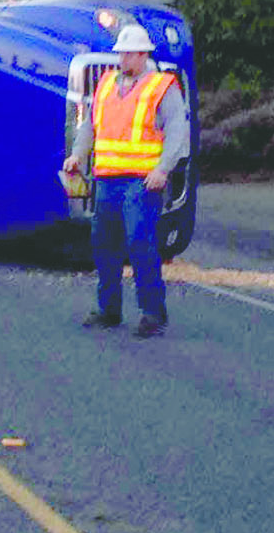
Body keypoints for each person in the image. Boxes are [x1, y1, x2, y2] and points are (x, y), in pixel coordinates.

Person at [64, 21, 190, 338]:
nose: (123, 60)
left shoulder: (162, 87)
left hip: (143, 181)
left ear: (142, 55)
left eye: (129, 55)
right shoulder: (106, 85)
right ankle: (109, 309)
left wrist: (163, 168)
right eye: (121, 54)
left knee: (139, 242)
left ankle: (152, 311)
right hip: (107, 179)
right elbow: (89, 126)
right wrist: (78, 155)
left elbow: (177, 129)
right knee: (104, 244)